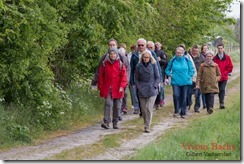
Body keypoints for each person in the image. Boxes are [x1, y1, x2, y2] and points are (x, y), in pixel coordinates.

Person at [98, 47, 127, 129]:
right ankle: (106, 122)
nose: (112, 55)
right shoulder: (104, 63)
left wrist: (122, 86)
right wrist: (101, 86)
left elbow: (124, 77)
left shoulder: (121, 64)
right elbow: (100, 76)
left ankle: (115, 122)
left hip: (118, 89)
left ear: (116, 54)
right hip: (107, 88)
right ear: (108, 55)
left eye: (114, 54)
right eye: (111, 54)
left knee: (117, 106)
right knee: (108, 104)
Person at [165, 46, 195, 118]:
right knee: (176, 95)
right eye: (177, 53)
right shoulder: (173, 60)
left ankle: (183, 112)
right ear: (175, 53)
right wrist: (170, 74)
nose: (179, 54)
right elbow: (167, 70)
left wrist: (189, 76)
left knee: (184, 97)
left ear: (183, 53)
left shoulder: (187, 60)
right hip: (175, 81)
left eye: (180, 53)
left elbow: (192, 70)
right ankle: (176, 110)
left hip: (186, 81)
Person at [135, 50, 160, 133]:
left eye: (147, 57)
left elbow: (157, 77)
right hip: (142, 89)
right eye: (144, 57)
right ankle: (146, 122)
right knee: (143, 109)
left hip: (152, 89)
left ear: (150, 58)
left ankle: (147, 126)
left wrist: (155, 86)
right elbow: (136, 79)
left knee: (149, 108)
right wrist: (138, 87)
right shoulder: (138, 66)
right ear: (142, 58)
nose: (146, 59)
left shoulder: (153, 65)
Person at [213, 43, 233, 109]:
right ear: (217, 49)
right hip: (217, 77)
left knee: (222, 89)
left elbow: (230, 67)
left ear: (223, 48)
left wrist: (225, 73)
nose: (220, 50)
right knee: (217, 90)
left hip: (224, 77)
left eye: (221, 48)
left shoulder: (227, 57)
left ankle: (222, 103)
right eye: (219, 48)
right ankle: (214, 103)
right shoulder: (214, 58)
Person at [178, 44, 197, 111]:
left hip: (187, 78)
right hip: (178, 79)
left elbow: (192, 68)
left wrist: (193, 77)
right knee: (179, 93)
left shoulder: (188, 57)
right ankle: (181, 106)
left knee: (187, 93)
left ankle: (187, 103)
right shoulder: (176, 57)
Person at [190, 45, 205, 112]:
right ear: (191, 50)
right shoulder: (188, 57)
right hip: (190, 77)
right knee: (188, 93)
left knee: (198, 94)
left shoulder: (201, 57)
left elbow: (204, 67)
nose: (195, 52)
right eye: (194, 51)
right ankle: (189, 103)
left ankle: (197, 107)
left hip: (198, 78)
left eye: (196, 51)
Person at [154, 42, 168, 108]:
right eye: (155, 44)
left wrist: (160, 60)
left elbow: (165, 62)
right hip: (154, 72)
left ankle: (161, 99)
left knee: (161, 87)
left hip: (161, 72)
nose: (156, 45)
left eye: (157, 44)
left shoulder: (162, 53)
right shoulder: (152, 52)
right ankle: (156, 101)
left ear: (161, 45)